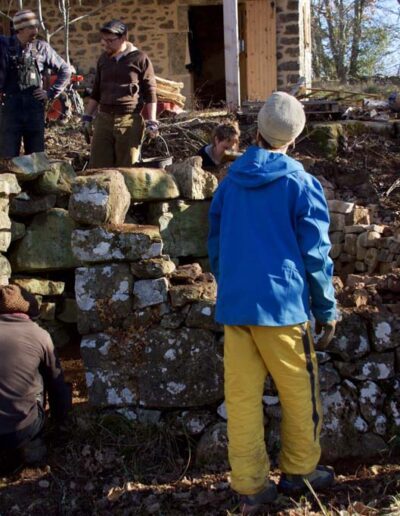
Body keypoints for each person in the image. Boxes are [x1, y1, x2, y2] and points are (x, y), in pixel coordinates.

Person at [207, 92, 337, 514]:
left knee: (241, 399)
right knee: (300, 392)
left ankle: (250, 487)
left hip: (237, 305)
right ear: (294, 139)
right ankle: (300, 472)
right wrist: (326, 308)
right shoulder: (300, 183)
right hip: (282, 309)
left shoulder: (229, 182)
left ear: (256, 131)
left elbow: (215, 246)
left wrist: (230, 285)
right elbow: (315, 254)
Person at [0, 284, 71, 468]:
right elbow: (57, 386)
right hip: (22, 430)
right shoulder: (39, 335)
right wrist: (61, 422)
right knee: (39, 375)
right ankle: (33, 446)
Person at [82, 19, 158, 168]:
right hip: (103, 119)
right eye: (103, 40)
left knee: (127, 167)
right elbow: (96, 90)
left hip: (128, 120)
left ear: (123, 38)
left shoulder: (140, 58)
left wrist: (152, 121)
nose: (106, 44)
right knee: (98, 167)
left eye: (110, 40)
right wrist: (87, 116)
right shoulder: (103, 59)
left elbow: (150, 92)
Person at [0, 9, 71, 158]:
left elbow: (65, 70)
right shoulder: (4, 46)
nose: (36, 31)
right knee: (7, 157)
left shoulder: (41, 48)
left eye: (36, 27)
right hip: (10, 110)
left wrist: (50, 93)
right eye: (31, 27)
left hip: (34, 110)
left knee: (36, 158)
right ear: (20, 29)